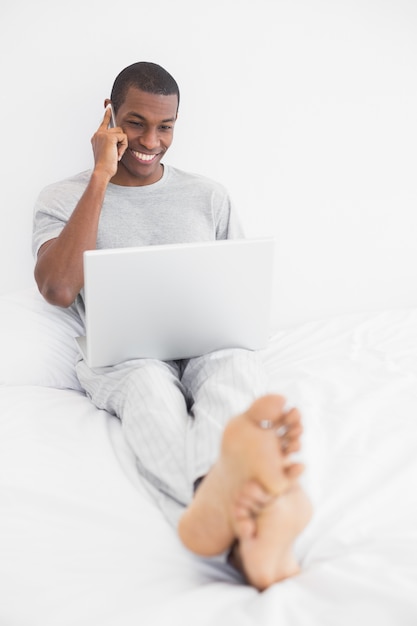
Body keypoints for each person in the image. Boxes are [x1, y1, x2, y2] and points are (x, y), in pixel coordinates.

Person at [32, 61, 312, 590]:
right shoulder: (62, 197)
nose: (150, 140)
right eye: (136, 123)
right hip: (122, 357)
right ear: (109, 118)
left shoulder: (209, 196)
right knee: (151, 393)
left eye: (166, 127)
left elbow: (238, 288)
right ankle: (240, 528)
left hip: (206, 343)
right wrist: (100, 177)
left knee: (234, 371)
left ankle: (215, 516)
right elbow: (58, 289)